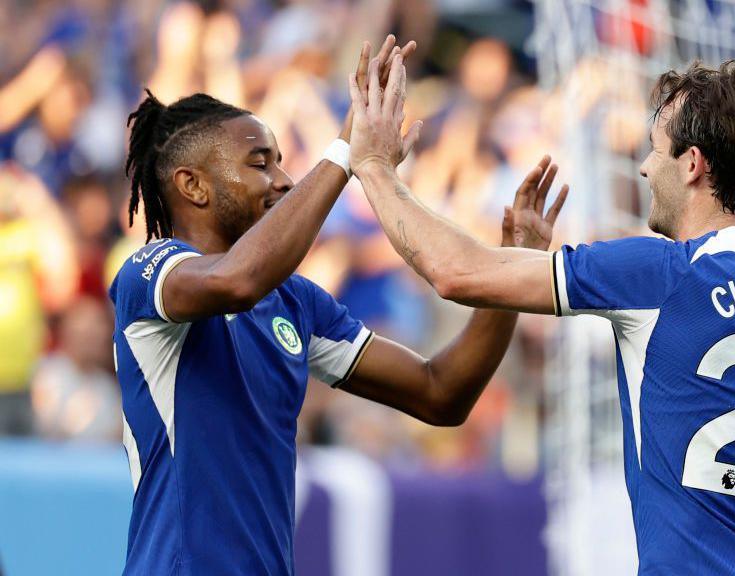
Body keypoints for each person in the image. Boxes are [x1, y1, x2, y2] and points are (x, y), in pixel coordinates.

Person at [348, 58, 735, 574]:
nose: (646, 168)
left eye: (655, 151)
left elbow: (454, 272)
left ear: (692, 164)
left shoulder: (659, 272)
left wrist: (371, 166)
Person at [109, 36, 566, 576]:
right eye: (260, 164)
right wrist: (347, 153)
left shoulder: (294, 303)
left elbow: (441, 394)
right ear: (193, 186)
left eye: (280, 162)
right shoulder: (150, 274)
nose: (283, 179)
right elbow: (237, 279)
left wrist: (508, 278)